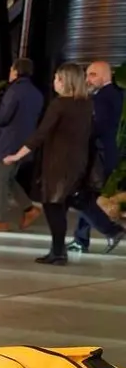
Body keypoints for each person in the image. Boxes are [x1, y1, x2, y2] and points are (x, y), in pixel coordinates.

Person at [5, 63, 124, 264]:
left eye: (57, 78)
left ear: (64, 80)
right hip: (78, 163)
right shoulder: (86, 104)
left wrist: (17, 155)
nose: (54, 82)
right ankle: (78, 243)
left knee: (53, 205)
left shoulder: (60, 104)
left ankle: (59, 252)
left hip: (59, 164)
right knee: (73, 202)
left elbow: (41, 134)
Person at [0, 58, 44, 231]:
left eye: (11, 70)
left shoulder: (14, 91)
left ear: (17, 71)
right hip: (24, 143)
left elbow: (4, 117)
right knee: (8, 179)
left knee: (1, 181)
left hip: (8, 143)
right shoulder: (37, 93)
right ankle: (30, 209)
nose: (10, 73)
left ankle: (0, 220)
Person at [71, 60, 125, 252]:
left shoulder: (102, 98)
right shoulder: (116, 94)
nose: (88, 79)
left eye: (92, 75)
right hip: (108, 154)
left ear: (104, 75)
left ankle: (111, 231)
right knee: (87, 198)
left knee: (79, 197)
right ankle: (81, 239)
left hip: (98, 157)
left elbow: (98, 126)